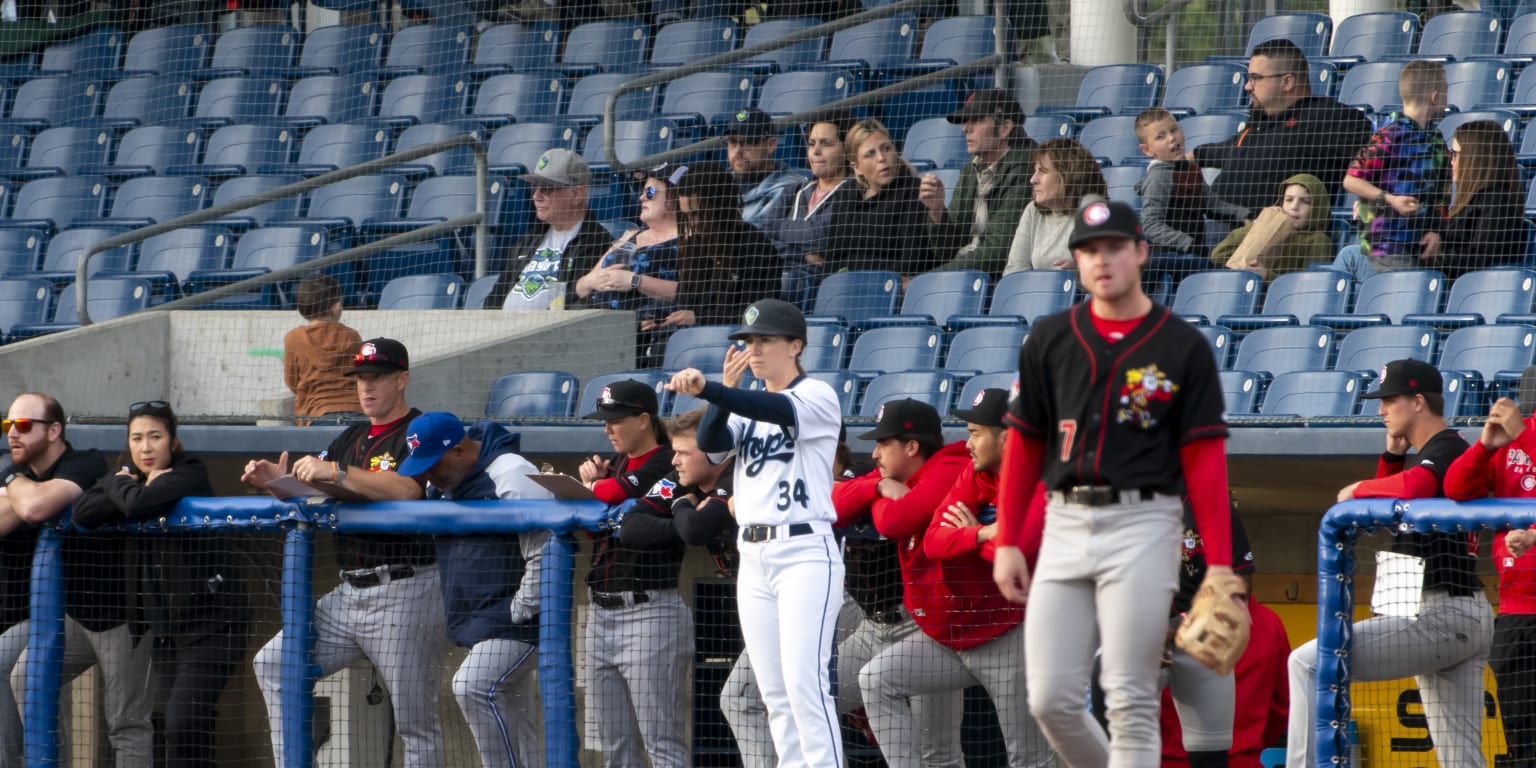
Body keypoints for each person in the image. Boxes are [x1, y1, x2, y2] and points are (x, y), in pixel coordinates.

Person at [993, 199, 1236, 767]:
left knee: (1128, 697)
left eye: (1113, 248)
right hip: (1064, 521)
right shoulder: (1050, 338)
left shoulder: (1182, 345)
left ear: (1140, 252)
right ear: (1076, 260)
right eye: (1089, 250)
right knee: (1050, 699)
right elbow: (1025, 446)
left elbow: (1204, 459)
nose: (1101, 260)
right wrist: (1007, 540)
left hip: (1144, 523)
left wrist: (1220, 565)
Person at [243, 338, 448, 768]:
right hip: (349, 593)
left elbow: (408, 490)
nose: (366, 388)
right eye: (360, 379)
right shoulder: (350, 436)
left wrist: (335, 472)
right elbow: (313, 486)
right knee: (275, 664)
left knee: (415, 724)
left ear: (402, 378)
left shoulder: (419, 430)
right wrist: (277, 482)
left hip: (405, 589)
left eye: (377, 378)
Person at [667, 298, 846, 768]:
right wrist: (721, 390)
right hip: (755, 556)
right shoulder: (742, 402)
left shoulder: (818, 395)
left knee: (806, 684)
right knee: (774, 692)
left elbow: (771, 406)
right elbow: (709, 444)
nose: (754, 349)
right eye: (748, 341)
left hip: (805, 551)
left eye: (765, 340)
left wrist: (715, 391)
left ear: (795, 345)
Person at [1288, 359, 1492, 768]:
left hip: (1440, 611)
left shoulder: (1450, 446)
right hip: (1458, 614)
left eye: (1389, 400)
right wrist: (1390, 459)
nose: (1381, 409)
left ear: (1418, 402)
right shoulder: (1425, 455)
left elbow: (1418, 487)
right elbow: (1392, 517)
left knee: (1306, 665)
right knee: (1460, 757)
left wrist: (1361, 486)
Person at [861, 389, 1052, 768]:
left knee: (1028, 758)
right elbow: (934, 542)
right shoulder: (973, 474)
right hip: (949, 639)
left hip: (1009, 636)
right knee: (876, 679)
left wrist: (971, 540)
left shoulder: (1040, 481)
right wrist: (981, 534)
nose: (968, 442)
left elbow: (1018, 560)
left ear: (1008, 437)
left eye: (977, 432)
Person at [71, 401, 247, 768]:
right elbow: (83, 512)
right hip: (167, 630)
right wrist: (125, 483)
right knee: (178, 726)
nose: (146, 447)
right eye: (137, 438)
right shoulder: (130, 478)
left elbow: (140, 504)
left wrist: (119, 482)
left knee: (184, 722)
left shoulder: (190, 472)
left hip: (214, 624)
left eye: (155, 437)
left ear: (174, 443)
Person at [394, 411, 552, 768]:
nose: (428, 475)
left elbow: (545, 549)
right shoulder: (442, 485)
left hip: (516, 622)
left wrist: (520, 609)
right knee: (516, 721)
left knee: (472, 686)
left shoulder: (511, 472)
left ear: (461, 453)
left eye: (434, 465)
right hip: (479, 619)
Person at [0, 393, 149, 768]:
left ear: (54, 430)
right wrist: (22, 486)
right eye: (7, 426)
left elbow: (33, 508)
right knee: (28, 684)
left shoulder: (85, 462)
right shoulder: (26, 476)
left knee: (125, 722)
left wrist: (11, 481)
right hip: (71, 618)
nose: (11, 435)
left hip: (123, 617)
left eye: (22, 426)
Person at [832, 398, 971, 768]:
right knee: (817, 701)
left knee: (939, 754)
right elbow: (829, 503)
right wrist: (878, 486)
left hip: (930, 628)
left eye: (883, 443)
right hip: (873, 626)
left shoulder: (950, 467)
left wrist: (878, 491)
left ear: (911, 446)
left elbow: (894, 523)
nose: (874, 452)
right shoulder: (889, 474)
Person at [576, 379, 687, 768]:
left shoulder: (668, 460)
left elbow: (608, 495)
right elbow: (593, 526)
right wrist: (596, 486)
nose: (607, 429)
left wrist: (591, 485)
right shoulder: (619, 463)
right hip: (601, 612)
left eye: (615, 420)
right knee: (616, 746)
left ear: (643, 419)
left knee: (661, 741)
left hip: (649, 610)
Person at [1445, 395, 1536, 768]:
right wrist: (1484, 447)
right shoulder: (1514, 435)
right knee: (1523, 740)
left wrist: (1523, 437)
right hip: (1516, 610)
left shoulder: (1523, 434)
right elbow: (1456, 489)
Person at [1195, 38, 1373, 219]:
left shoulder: (1326, 116)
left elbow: (1378, 157)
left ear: (1287, 82)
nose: (1247, 86)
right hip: (1217, 227)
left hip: (1275, 236)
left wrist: (1369, 198)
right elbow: (1224, 150)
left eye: (1256, 78)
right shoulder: (1260, 123)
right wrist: (1179, 159)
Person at [1333, 60, 1450, 283]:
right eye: (1445, 92)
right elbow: (1351, 180)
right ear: (1434, 96)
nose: (1447, 100)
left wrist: (1437, 232)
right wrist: (1390, 200)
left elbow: (1440, 197)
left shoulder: (1437, 143)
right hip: (1386, 242)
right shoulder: (1389, 135)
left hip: (1420, 245)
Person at [1158, 598, 1290, 768]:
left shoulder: (1152, 622)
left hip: (1170, 756)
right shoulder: (1268, 622)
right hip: (1241, 758)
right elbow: (1282, 706)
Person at [652, 162, 783, 330]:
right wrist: (659, 318)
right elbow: (684, 303)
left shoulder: (756, 247)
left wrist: (700, 318)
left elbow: (758, 317)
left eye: (699, 214)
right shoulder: (695, 245)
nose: (694, 223)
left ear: (721, 207)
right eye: (687, 216)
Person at [921, 89, 1036, 278]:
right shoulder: (970, 170)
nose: (965, 128)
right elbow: (948, 252)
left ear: (1004, 128)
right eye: (966, 121)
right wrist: (937, 212)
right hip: (964, 278)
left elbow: (998, 252)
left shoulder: (1027, 169)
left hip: (1000, 282)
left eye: (976, 120)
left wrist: (927, 280)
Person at [492, 148, 613, 310]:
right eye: (535, 187)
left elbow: (573, 305)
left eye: (547, 188)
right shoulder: (529, 239)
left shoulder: (596, 242)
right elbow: (496, 297)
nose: (536, 196)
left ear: (576, 195)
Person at [1133, 106, 1245, 277]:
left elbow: (1211, 204)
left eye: (1174, 129)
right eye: (1161, 137)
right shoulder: (1158, 178)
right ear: (1148, 150)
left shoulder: (1191, 168)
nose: (1172, 138)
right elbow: (1150, 225)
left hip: (1194, 253)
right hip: (1172, 258)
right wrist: (1186, 243)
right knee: (1227, 275)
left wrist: (1244, 214)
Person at [763, 112, 861, 306]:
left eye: (826, 143)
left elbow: (821, 236)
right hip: (780, 273)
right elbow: (765, 233)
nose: (816, 151)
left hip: (822, 286)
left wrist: (780, 230)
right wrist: (802, 254)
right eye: (811, 143)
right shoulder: (793, 190)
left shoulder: (854, 192)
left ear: (847, 149)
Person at [824, 118, 934, 275]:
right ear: (856, 167)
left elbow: (912, 266)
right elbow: (832, 263)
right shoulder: (845, 195)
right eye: (870, 154)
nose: (881, 158)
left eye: (886, 148)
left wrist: (854, 261)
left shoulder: (914, 191)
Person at [573, 165, 681, 317]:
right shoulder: (629, 236)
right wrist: (592, 282)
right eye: (642, 191)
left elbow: (692, 294)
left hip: (638, 326)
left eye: (650, 192)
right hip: (589, 314)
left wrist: (636, 281)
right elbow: (580, 287)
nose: (641, 197)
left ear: (674, 197)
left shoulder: (688, 239)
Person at [1003, 139, 1109, 273]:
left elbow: (1105, 263)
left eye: (1042, 171)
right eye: (1034, 171)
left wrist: (1080, 269)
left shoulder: (1092, 207)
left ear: (1067, 175)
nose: (1033, 180)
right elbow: (1014, 270)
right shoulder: (1032, 210)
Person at [1435, 120, 1524, 279]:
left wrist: (1431, 259)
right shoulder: (1471, 200)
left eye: (1454, 154)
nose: (1451, 162)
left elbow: (1479, 259)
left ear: (1474, 157)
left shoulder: (1498, 203)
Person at [1209, 174, 1335, 280]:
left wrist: (1266, 275)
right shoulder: (1266, 230)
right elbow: (1218, 256)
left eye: (1305, 201)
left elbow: (1311, 286)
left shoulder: (1318, 240)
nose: (1294, 207)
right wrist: (1259, 224)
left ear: (1318, 208)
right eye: (1289, 200)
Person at [285, 273, 363, 426]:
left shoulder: (294, 338)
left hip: (317, 413)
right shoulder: (351, 336)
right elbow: (362, 372)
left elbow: (292, 381)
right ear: (335, 307)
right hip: (356, 411)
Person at [723, 108, 809, 229]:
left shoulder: (792, 189)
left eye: (747, 142)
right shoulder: (717, 184)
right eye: (732, 142)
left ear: (771, 144)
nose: (737, 151)